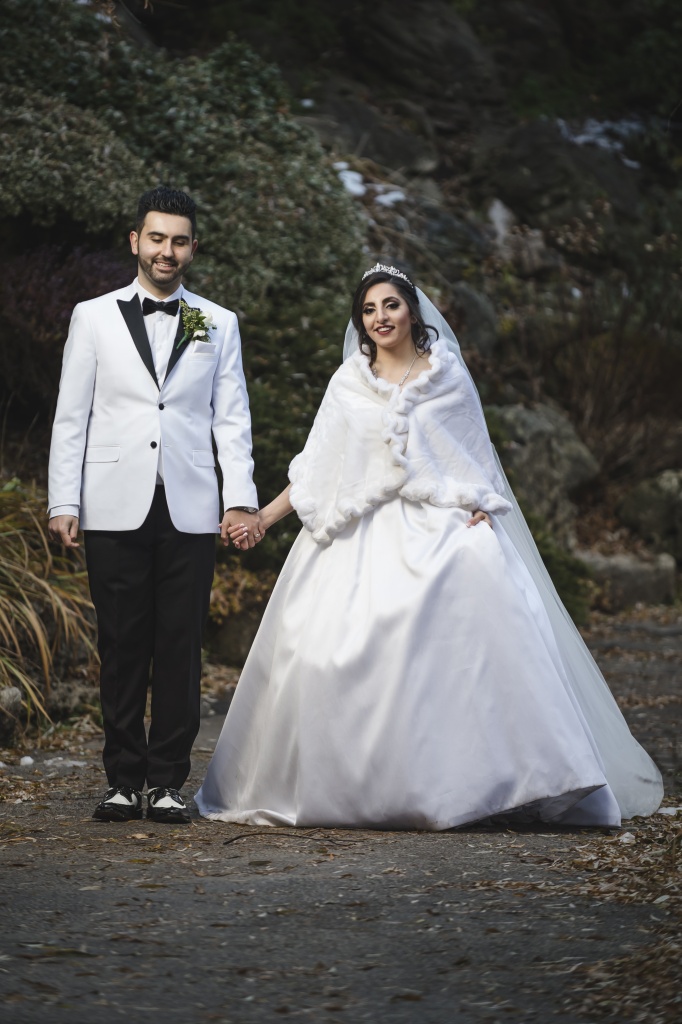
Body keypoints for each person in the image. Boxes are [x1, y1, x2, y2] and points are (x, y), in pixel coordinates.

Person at [195, 264, 663, 830]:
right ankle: (357, 787)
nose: (380, 318)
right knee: (323, 643)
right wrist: (264, 519)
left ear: (412, 311)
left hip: (435, 521)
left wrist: (480, 503)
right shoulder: (347, 383)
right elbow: (318, 466)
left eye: (390, 305)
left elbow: (472, 454)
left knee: (477, 576)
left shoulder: (448, 376)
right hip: (361, 531)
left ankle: (496, 781)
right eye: (369, 310)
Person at [48, 186, 262, 824]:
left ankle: (168, 781)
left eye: (179, 241)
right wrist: (63, 499)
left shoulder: (217, 322)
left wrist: (240, 499)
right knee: (121, 644)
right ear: (135, 241)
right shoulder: (92, 317)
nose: (167, 251)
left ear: (193, 248)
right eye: (157, 238)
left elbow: (232, 419)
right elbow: (71, 415)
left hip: (190, 506)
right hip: (112, 502)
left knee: (179, 645)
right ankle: (122, 780)